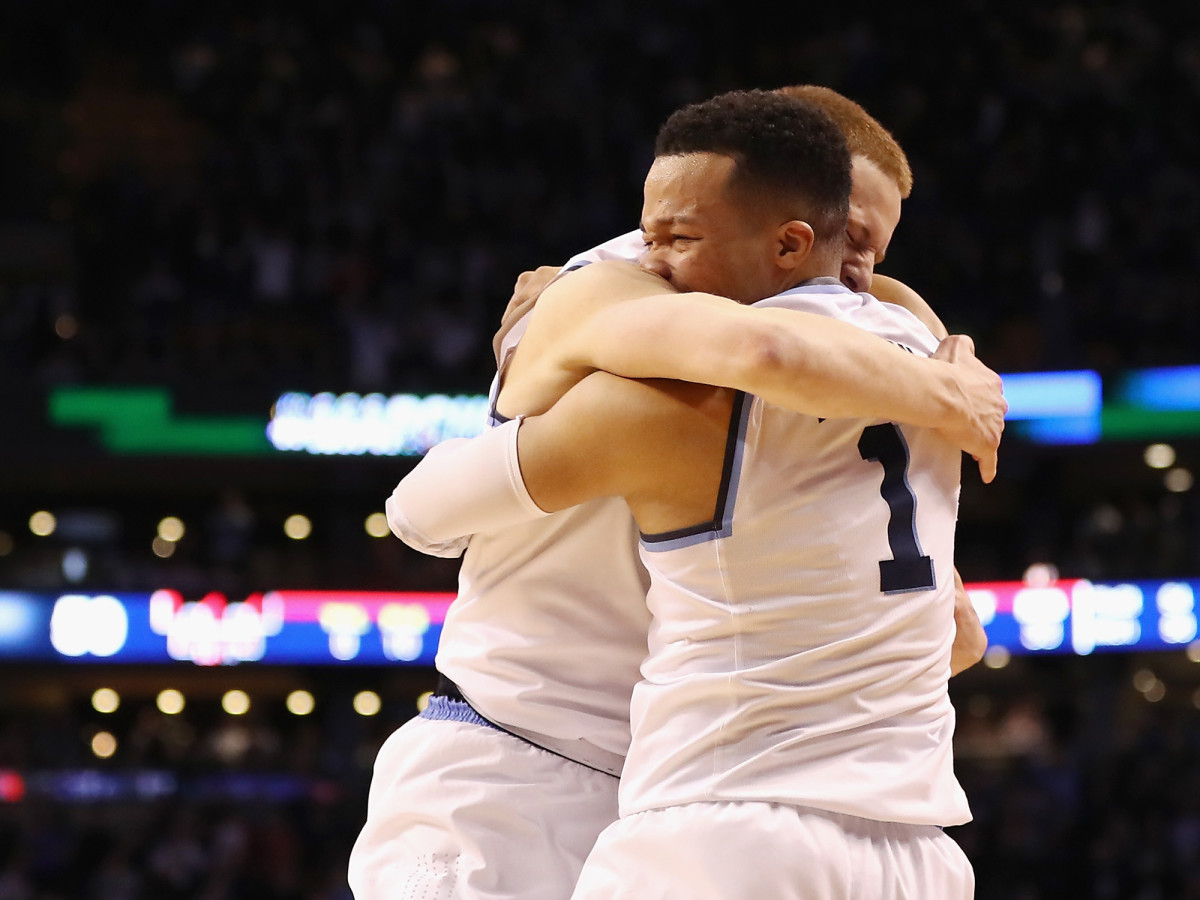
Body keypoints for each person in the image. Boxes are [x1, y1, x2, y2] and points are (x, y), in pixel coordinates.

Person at [349, 90, 1001, 900]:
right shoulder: (610, 292)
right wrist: (948, 385)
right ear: (787, 217)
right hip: (515, 752)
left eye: (871, 250)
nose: (859, 274)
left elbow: (955, 631)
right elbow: (758, 350)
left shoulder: (848, 341)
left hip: (682, 782)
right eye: (851, 236)